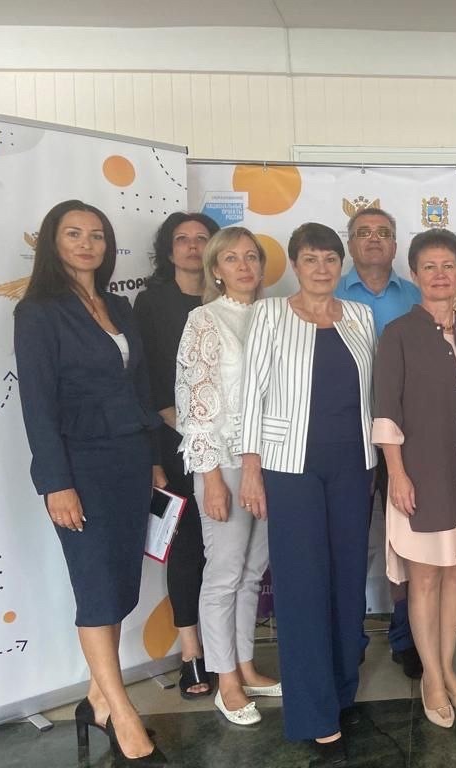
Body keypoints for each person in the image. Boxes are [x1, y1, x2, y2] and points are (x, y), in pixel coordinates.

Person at [14, 200, 166, 766]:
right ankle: (122, 715)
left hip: (129, 459)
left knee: (121, 585)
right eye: (74, 233)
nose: (86, 244)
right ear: (52, 242)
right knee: (97, 587)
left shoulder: (118, 306)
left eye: (97, 235)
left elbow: (141, 389)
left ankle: (98, 699)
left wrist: (152, 460)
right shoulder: (38, 313)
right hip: (80, 467)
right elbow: (37, 406)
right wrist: (56, 483)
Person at [239, 223, 377, 766]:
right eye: (311, 259)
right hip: (289, 467)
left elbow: (372, 393)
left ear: (341, 265)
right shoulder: (270, 314)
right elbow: (251, 393)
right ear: (295, 265)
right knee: (302, 585)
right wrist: (251, 469)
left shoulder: (360, 316)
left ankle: (342, 692)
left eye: (330, 259)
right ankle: (315, 713)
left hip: (353, 465)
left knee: (347, 581)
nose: (321, 268)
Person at [372, 229, 456, 729]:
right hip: (422, 475)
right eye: (429, 266)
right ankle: (431, 677)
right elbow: (386, 412)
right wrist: (397, 474)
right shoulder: (398, 334)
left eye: (448, 265)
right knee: (425, 578)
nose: (440, 275)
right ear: (414, 274)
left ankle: (447, 668)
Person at [174, 226, 281, 726]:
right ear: (215, 269)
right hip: (224, 463)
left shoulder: (275, 315)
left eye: (251, 257)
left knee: (253, 572)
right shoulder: (203, 319)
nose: (244, 266)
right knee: (223, 574)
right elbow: (194, 403)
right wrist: (211, 476)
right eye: (232, 258)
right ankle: (225, 680)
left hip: (270, 462)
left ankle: (246, 665)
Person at [134, 211, 220, 700]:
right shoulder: (151, 303)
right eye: (182, 239)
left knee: (225, 549)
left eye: (201, 238)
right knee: (188, 547)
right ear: (169, 250)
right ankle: (191, 652)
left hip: (229, 445)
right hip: (176, 442)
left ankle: (228, 649)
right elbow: (143, 378)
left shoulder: (230, 299)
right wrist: (180, 429)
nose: (191, 247)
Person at [335, 206, 423, 679]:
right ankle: (347, 638)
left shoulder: (416, 296)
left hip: (405, 440)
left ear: (395, 244)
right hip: (342, 436)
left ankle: (407, 638)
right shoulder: (327, 293)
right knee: (347, 542)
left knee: (406, 542)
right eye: (363, 232)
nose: (373, 239)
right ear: (350, 243)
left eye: (383, 233)